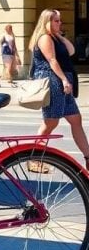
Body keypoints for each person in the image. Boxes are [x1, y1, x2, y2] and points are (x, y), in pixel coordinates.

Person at [28, 9, 89, 170]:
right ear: (47, 21)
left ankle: (88, 157)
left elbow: (71, 50)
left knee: (76, 119)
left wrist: (59, 34)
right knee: (51, 122)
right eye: (56, 20)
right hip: (54, 81)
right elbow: (52, 60)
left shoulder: (54, 37)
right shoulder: (44, 38)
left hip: (63, 82)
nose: (59, 23)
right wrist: (63, 80)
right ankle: (34, 157)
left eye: (59, 20)